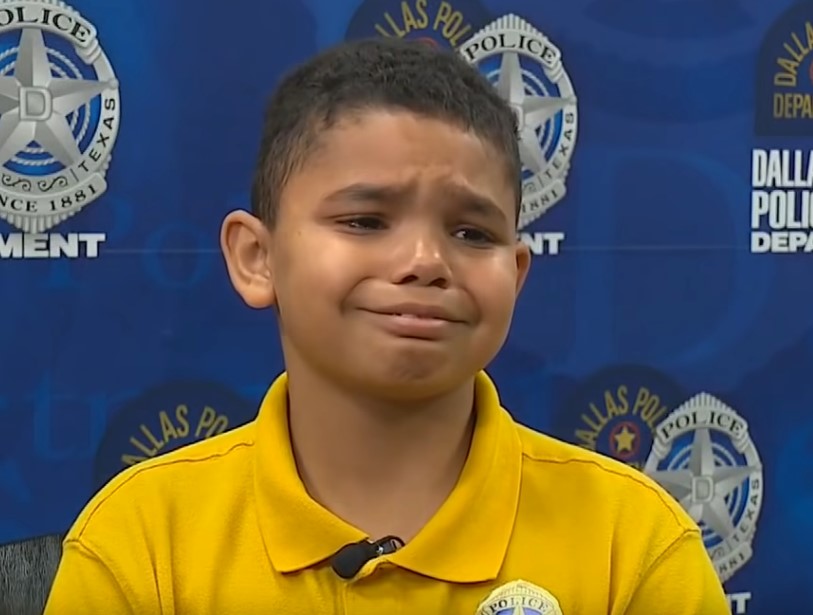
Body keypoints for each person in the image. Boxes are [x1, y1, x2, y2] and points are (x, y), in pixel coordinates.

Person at [44, 38, 729, 614]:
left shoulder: (631, 545)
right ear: (256, 259)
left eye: (471, 231)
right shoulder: (143, 542)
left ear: (516, 275)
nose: (426, 261)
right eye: (364, 221)